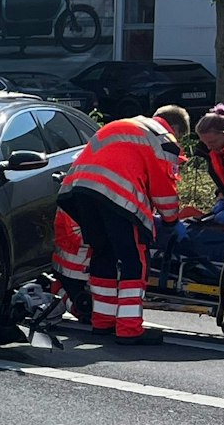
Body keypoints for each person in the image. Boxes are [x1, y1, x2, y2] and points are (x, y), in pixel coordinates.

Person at [56, 104, 191, 344]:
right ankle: (129, 329)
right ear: (177, 129)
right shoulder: (163, 138)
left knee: (103, 255)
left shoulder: (123, 124)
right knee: (133, 260)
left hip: (79, 193)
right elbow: (164, 189)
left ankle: (103, 321)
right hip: (117, 197)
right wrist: (171, 221)